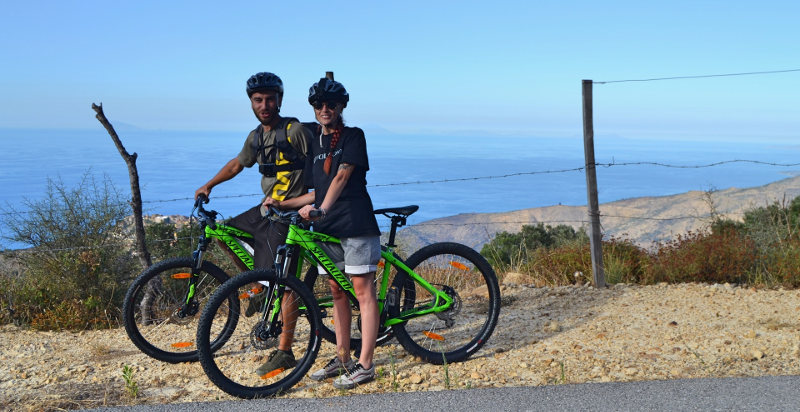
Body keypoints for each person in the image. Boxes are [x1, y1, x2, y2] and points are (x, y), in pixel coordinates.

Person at [194, 71, 312, 377]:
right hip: (265, 210)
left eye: (270, 99)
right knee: (223, 231)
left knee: (284, 284)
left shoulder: (294, 130)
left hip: (289, 215)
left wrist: (313, 202)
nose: (264, 105)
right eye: (258, 100)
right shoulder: (256, 136)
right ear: (251, 103)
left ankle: (285, 351)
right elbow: (237, 164)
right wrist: (210, 184)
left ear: (279, 100)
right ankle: (259, 287)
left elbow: (322, 161)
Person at [265, 77, 380, 389]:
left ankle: (366, 364)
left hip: (355, 223)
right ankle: (343, 356)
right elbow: (318, 190)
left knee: (363, 292)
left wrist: (324, 209)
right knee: (336, 291)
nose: (324, 109)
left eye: (331, 104)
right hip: (326, 228)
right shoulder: (315, 141)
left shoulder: (354, 136)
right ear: (313, 108)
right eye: (319, 105)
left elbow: (341, 178)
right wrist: (283, 203)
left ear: (341, 106)